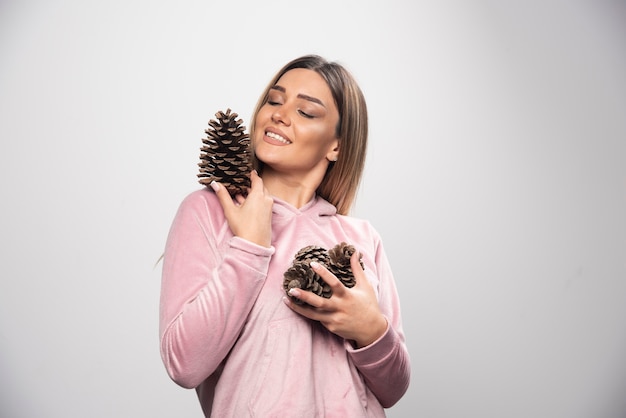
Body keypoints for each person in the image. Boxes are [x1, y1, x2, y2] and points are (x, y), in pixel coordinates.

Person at [159, 54, 411, 417]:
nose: (279, 113)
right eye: (274, 101)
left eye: (306, 112)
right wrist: (249, 248)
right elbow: (184, 364)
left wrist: (370, 329)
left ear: (336, 146)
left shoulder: (362, 239)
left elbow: (394, 388)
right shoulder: (210, 212)